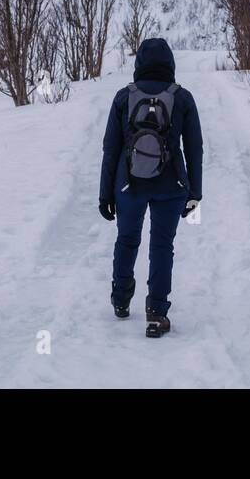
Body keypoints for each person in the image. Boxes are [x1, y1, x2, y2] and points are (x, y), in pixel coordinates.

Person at [98, 37, 202, 338]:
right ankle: (156, 313)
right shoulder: (182, 98)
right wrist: (196, 193)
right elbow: (195, 148)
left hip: (129, 183)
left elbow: (110, 149)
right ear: (170, 64)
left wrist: (106, 194)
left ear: (138, 65)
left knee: (127, 239)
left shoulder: (123, 97)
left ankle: (120, 300)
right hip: (171, 186)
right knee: (161, 246)